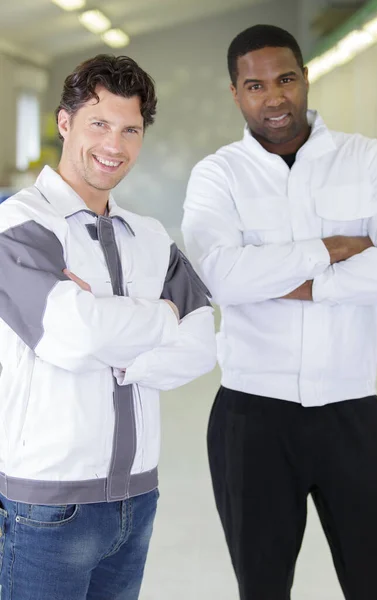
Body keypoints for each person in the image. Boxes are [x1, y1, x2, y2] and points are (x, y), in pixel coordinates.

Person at [182, 24, 377, 600]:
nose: (274, 97)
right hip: (253, 419)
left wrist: (293, 282)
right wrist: (330, 252)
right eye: (255, 85)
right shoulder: (218, 175)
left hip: (354, 413)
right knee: (263, 588)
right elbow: (219, 276)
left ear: (305, 78)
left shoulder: (368, 161)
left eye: (285, 79)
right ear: (235, 93)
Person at [0, 54, 216, 599]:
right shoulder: (19, 224)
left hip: (138, 499)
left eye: (130, 129)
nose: (114, 145)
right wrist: (161, 315)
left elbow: (200, 343)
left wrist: (114, 343)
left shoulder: (150, 235)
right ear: (65, 122)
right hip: (46, 506)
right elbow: (72, 334)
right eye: (99, 123)